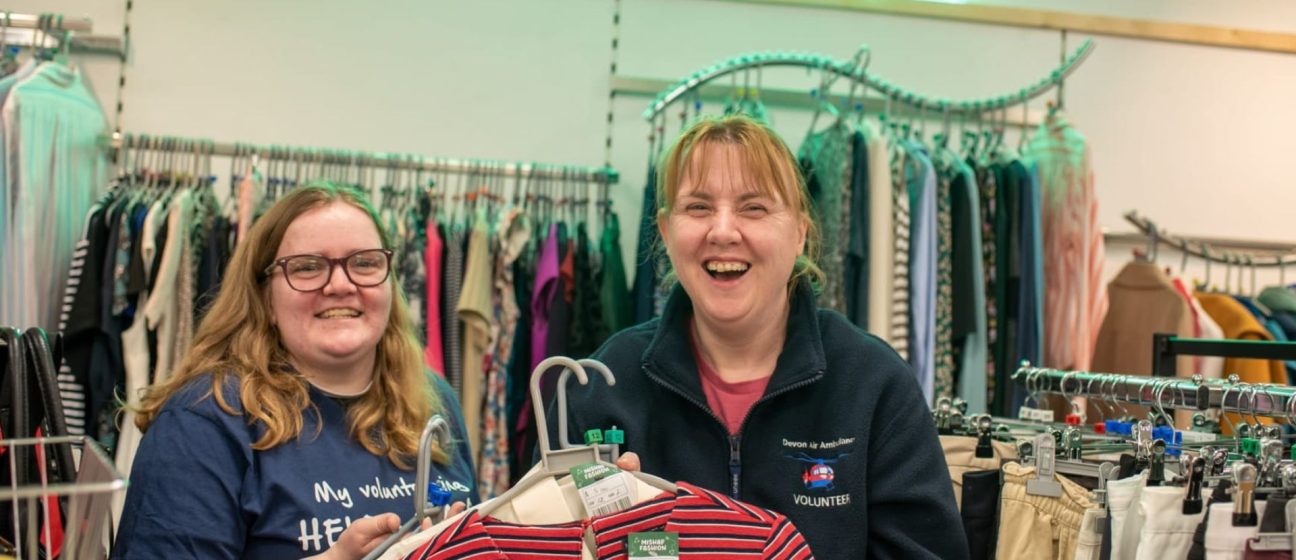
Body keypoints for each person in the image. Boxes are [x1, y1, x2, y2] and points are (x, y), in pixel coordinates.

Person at [554, 114, 967, 559]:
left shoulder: (874, 386)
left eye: (754, 208)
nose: (724, 231)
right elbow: (541, 543)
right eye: (698, 207)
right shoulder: (603, 385)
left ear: (799, 234)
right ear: (666, 232)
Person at [113, 183, 477, 559]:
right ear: (265, 298)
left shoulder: (433, 400)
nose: (340, 284)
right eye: (307, 267)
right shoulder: (203, 423)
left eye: (364, 263)